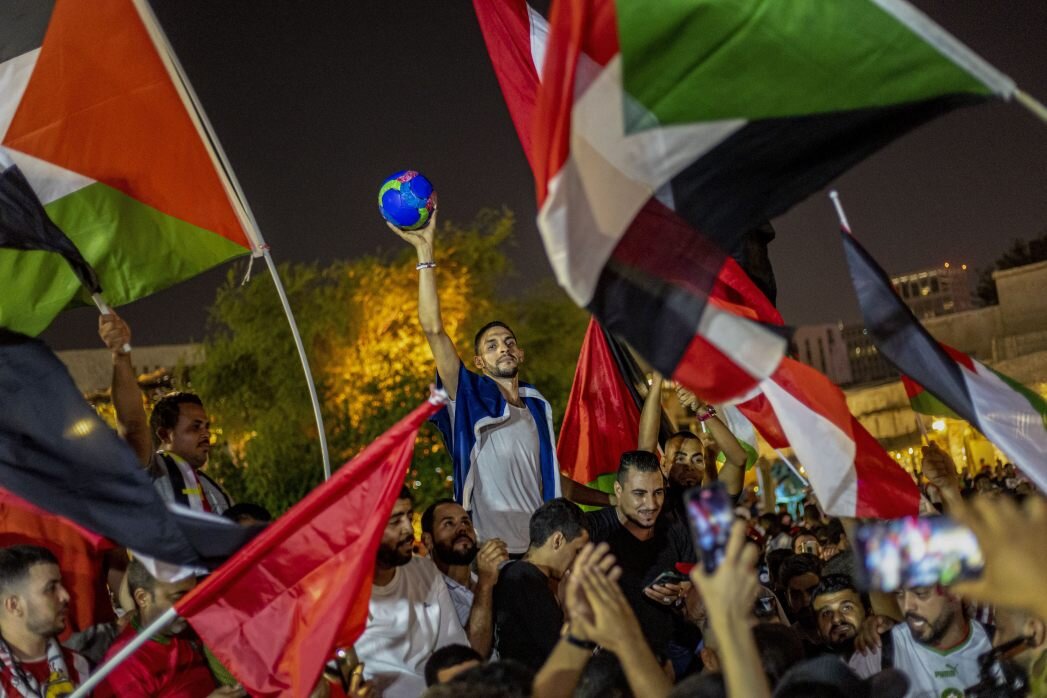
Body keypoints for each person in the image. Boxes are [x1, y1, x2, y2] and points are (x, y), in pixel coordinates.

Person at [391, 210, 608, 555]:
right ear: (479, 362)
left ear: (520, 354)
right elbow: (433, 329)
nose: (502, 348)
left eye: (508, 342)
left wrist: (612, 500)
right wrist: (425, 253)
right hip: (493, 555)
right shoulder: (468, 397)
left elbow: (552, 482)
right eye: (491, 346)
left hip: (541, 554)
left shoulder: (536, 408)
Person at [99, 312, 232, 514]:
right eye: (195, 427)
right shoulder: (151, 473)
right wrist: (121, 356)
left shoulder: (215, 490)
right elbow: (133, 425)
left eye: (207, 426)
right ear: (164, 434)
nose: (206, 434)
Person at [356, 488, 469, 697]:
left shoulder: (425, 572)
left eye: (409, 517)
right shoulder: (340, 593)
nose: (409, 530)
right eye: (395, 521)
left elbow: (454, 653)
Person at [584, 451, 695, 660]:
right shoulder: (591, 531)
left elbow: (693, 587)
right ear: (618, 490)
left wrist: (680, 594)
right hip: (610, 661)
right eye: (639, 493)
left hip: (666, 656)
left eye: (658, 492)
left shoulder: (675, 529)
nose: (651, 504)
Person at [93, 558, 242, 697]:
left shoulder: (188, 632)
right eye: (178, 597)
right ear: (142, 598)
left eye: (193, 595)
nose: (190, 605)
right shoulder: (123, 666)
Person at [492, 498, 589, 671]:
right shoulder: (524, 578)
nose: (579, 561)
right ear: (557, 540)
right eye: (577, 551)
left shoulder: (521, 575)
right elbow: (561, 653)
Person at [849, 584, 995, 696]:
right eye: (899, 593)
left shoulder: (998, 645)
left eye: (920, 593)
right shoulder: (877, 652)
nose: (907, 607)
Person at [420, 499, 508, 657]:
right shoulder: (425, 592)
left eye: (466, 522)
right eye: (448, 523)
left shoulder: (491, 579)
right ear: (428, 540)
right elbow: (472, 657)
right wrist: (485, 585)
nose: (462, 528)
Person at [0, 546, 89, 696]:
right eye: (51, 588)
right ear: (14, 605)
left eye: (61, 585)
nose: (65, 596)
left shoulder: (80, 666)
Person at [810, 575, 868, 660]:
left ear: (868, 612)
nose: (836, 619)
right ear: (817, 628)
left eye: (846, 608)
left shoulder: (888, 648)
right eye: (827, 613)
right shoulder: (814, 667)